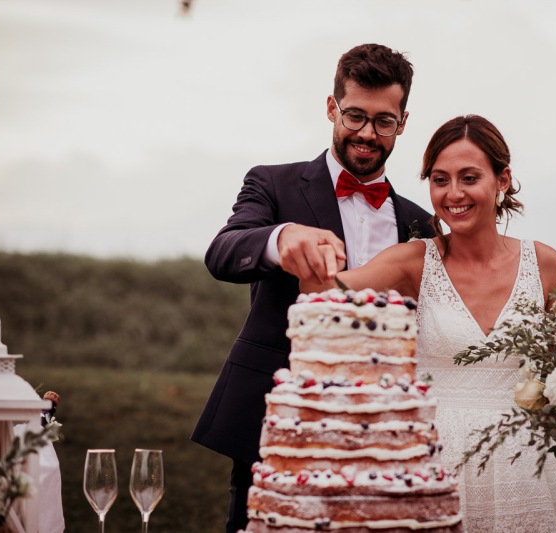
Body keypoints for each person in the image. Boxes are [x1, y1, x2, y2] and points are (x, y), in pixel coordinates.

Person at [303, 115, 556, 532]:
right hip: (432, 468)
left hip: (527, 476)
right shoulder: (414, 260)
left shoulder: (543, 264)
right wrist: (306, 249)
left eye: (469, 178)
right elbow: (325, 294)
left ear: (502, 180)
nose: (453, 194)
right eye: (440, 179)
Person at [190, 43, 436, 533]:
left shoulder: (420, 223)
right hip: (279, 425)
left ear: (403, 122)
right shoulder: (274, 184)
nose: (368, 133)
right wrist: (282, 238)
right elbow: (223, 252)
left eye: (384, 121)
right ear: (331, 108)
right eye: (355, 116)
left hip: (385, 441)